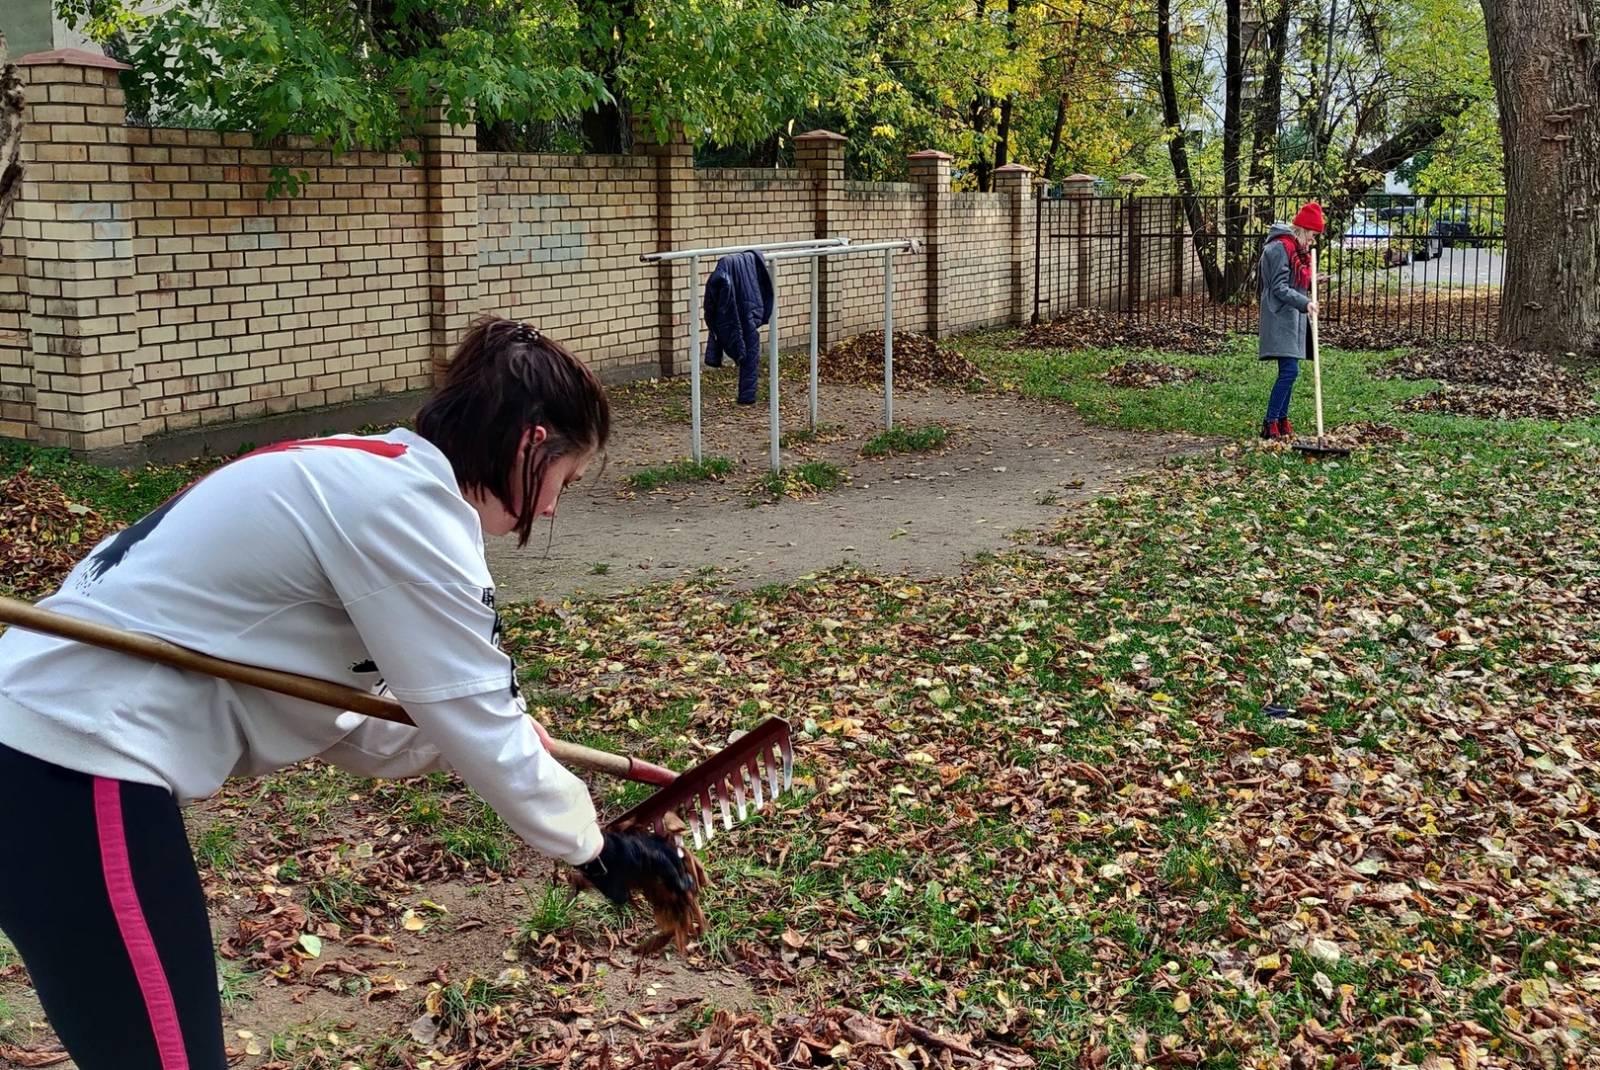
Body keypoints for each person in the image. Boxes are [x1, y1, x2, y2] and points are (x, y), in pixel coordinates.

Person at [0, 316, 692, 1070]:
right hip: (69, 760)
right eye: (565, 479)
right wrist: (591, 847)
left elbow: (351, 716)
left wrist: (482, 740)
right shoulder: (408, 509)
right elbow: (475, 715)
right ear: (531, 444)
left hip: (41, 756)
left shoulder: (369, 474)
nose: (553, 506)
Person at [1259, 202, 1323, 440]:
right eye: (1313, 235)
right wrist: (1305, 303)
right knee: (1289, 371)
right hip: (1280, 315)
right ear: (1304, 230)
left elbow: (1295, 280)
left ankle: (1282, 419)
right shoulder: (1279, 248)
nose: (1313, 241)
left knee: (1289, 371)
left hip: (1292, 318)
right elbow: (1279, 287)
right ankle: (1270, 421)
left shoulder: (1295, 250)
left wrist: (1313, 280)